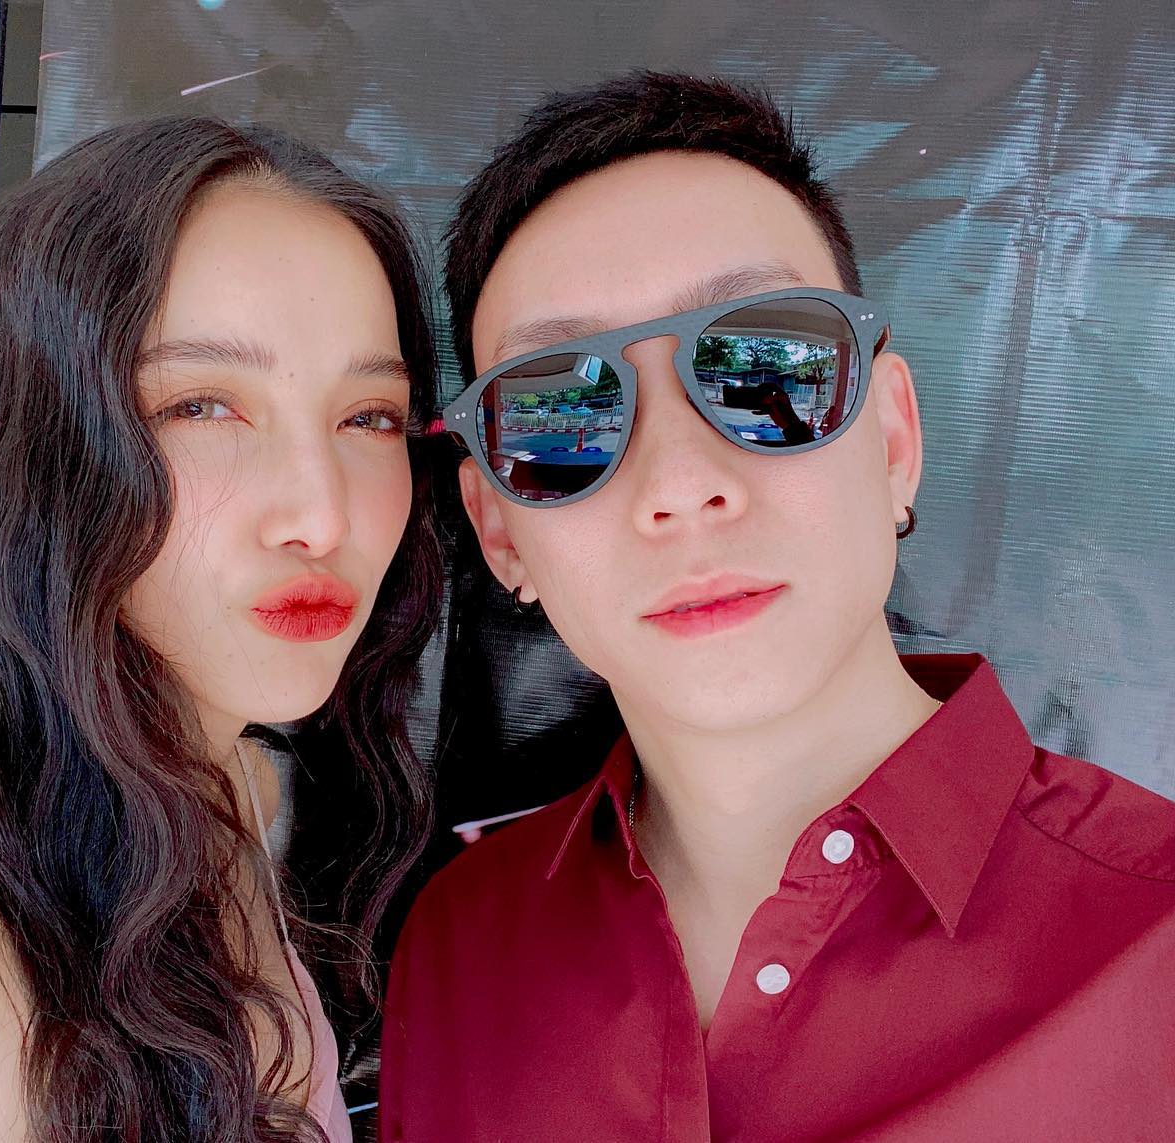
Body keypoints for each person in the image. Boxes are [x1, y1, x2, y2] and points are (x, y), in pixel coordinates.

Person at [379, 72, 1175, 1142]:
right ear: (500, 532)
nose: (678, 485)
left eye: (770, 366)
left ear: (893, 441)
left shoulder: (1156, 941)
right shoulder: (459, 954)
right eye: (562, 413)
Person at [0, 115, 442, 1143]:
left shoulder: (222, 790)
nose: (323, 515)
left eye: (368, 416)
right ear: (34, 449)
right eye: (202, 406)